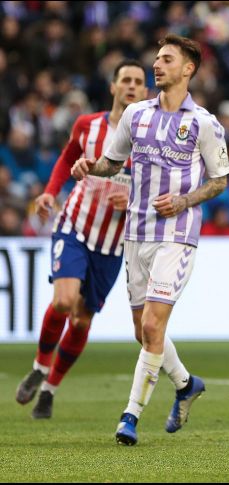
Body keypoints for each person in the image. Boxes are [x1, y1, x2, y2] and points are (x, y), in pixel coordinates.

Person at [70, 34, 229, 446]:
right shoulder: (136, 114)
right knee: (143, 333)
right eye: (156, 58)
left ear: (188, 69)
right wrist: (89, 166)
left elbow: (219, 181)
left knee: (153, 324)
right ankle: (186, 383)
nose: (156, 65)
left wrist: (183, 201)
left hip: (176, 236)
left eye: (166, 59)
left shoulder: (204, 123)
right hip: (135, 233)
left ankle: (130, 416)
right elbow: (112, 163)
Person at [15, 59, 147, 419]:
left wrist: (133, 201)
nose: (131, 86)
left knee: (82, 320)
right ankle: (40, 367)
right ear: (113, 87)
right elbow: (66, 158)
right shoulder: (88, 125)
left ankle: (50, 390)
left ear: (145, 91)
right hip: (75, 226)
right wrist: (50, 191)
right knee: (64, 301)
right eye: (125, 80)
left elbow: (158, 190)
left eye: (138, 81)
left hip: (113, 244)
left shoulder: (150, 141)